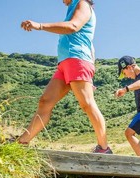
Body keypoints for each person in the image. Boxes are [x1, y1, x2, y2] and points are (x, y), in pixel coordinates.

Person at [18, 0, 111, 154]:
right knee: (45, 101)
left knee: (87, 104)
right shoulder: (73, 7)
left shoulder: (82, 3)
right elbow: (90, 44)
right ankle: (22, 142)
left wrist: (40, 26)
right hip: (65, 63)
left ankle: (104, 148)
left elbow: (73, 26)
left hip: (77, 59)